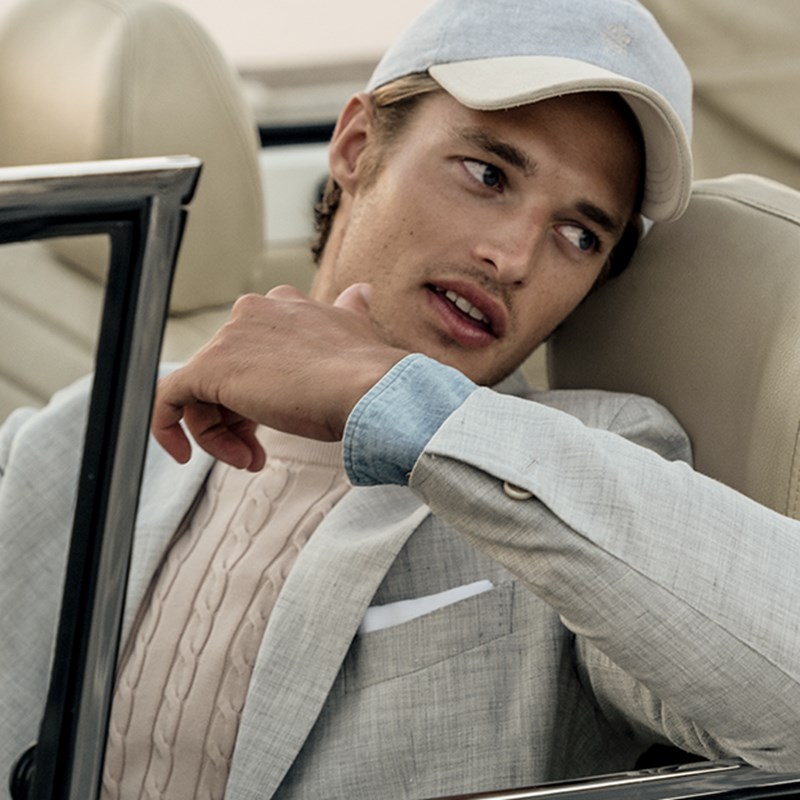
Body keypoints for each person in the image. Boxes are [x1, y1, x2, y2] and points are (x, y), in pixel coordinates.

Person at [3, 1, 800, 798]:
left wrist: (399, 402)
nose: (514, 256)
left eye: (580, 235)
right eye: (487, 175)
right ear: (355, 147)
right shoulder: (95, 425)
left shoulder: (600, 460)